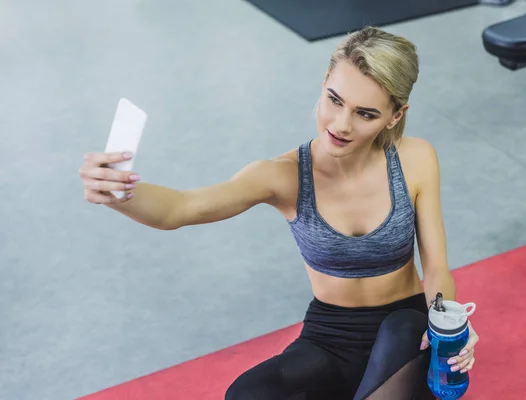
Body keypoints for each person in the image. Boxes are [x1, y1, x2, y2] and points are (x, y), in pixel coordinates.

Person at [79, 26, 479, 400]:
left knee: (400, 330)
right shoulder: (285, 176)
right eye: (334, 100)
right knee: (247, 393)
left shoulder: (416, 159)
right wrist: (119, 193)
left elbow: (437, 267)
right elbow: (180, 209)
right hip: (331, 334)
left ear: (395, 115)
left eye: (365, 113)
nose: (340, 124)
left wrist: (451, 330)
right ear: (323, 85)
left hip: (406, 326)